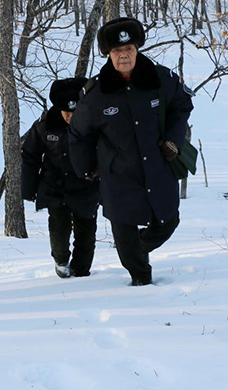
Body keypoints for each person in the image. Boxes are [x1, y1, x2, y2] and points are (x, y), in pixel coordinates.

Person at [69, 17, 193, 286]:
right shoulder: (96, 93)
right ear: (108, 54)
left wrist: (173, 140)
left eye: (129, 50)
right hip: (118, 172)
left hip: (158, 164)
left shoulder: (161, 79)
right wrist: (87, 168)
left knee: (168, 221)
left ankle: (140, 248)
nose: (123, 56)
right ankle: (140, 279)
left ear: (137, 49)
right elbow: (79, 134)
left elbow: (182, 106)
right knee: (123, 229)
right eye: (116, 51)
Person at [21, 78, 100, 278]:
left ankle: (82, 270)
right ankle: (61, 260)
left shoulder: (95, 123)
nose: (70, 117)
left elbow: (109, 151)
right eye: (66, 112)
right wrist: (29, 189)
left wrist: (99, 172)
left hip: (87, 185)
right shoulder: (45, 125)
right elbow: (30, 155)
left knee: (86, 231)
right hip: (55, 184)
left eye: (74, 112)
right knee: (58, 227)